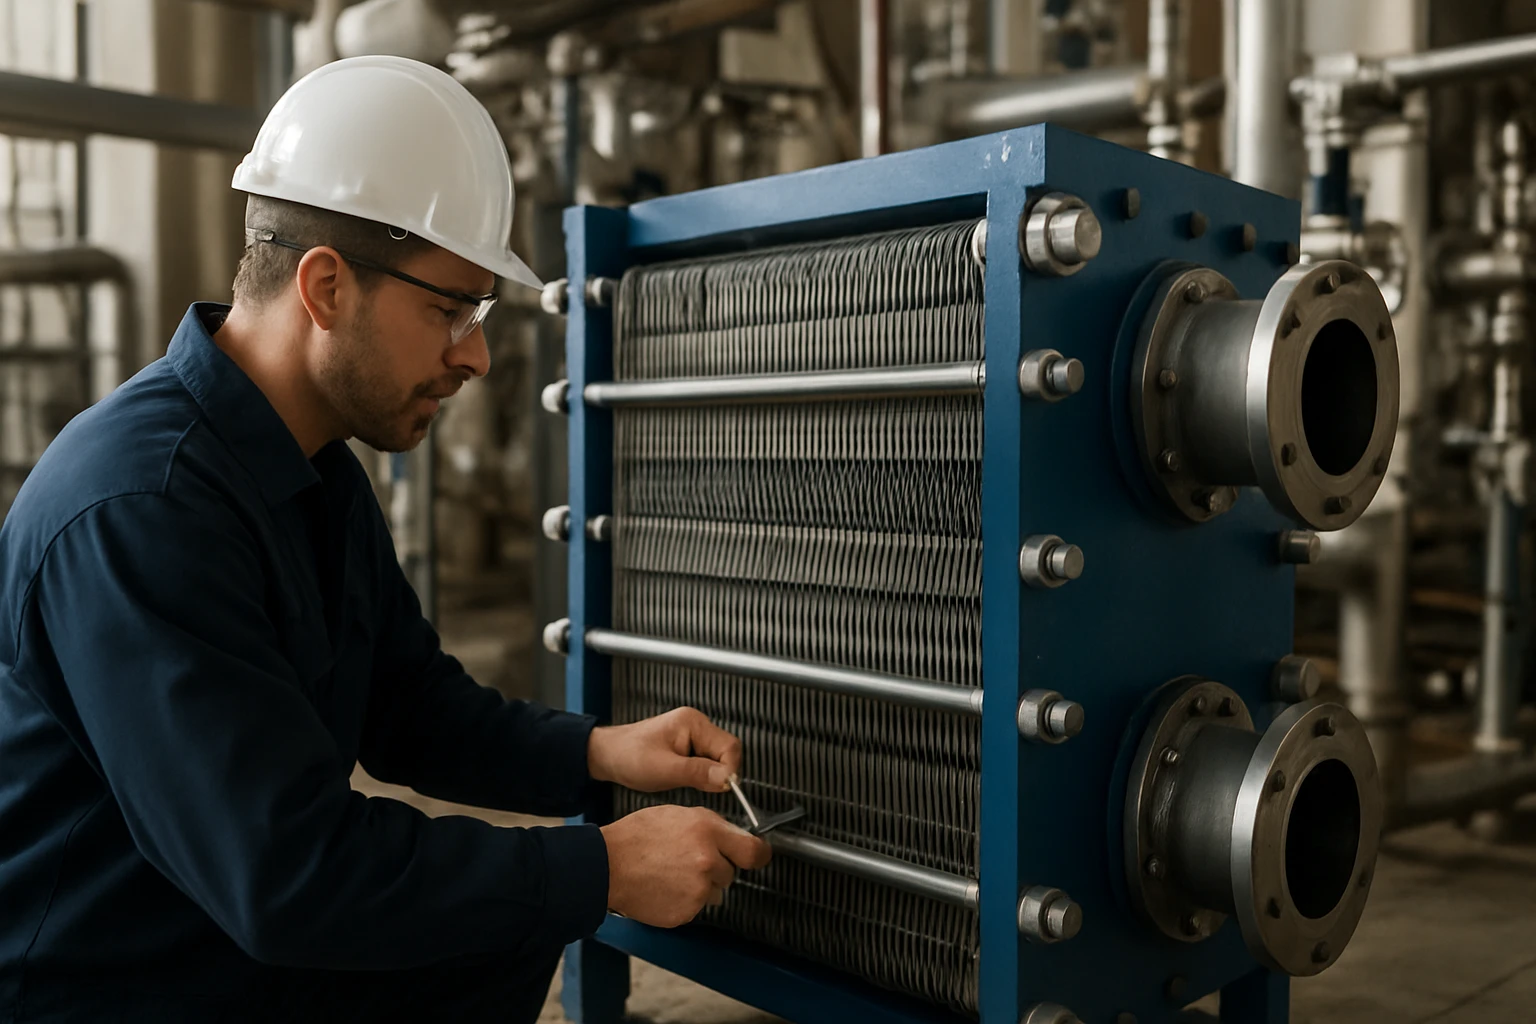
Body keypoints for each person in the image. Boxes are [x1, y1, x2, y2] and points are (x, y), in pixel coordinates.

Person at [0, 55, 769, 1023]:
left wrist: (601, 754)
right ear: (325, 287)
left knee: (502, 915)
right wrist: (603, 864)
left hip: (210, 932)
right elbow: (284, 874)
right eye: (449, 309)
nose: (478, 356)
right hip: (105, 980)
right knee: (514, 902)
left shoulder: (312, 468)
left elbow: (411, 706)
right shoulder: (139, 509)